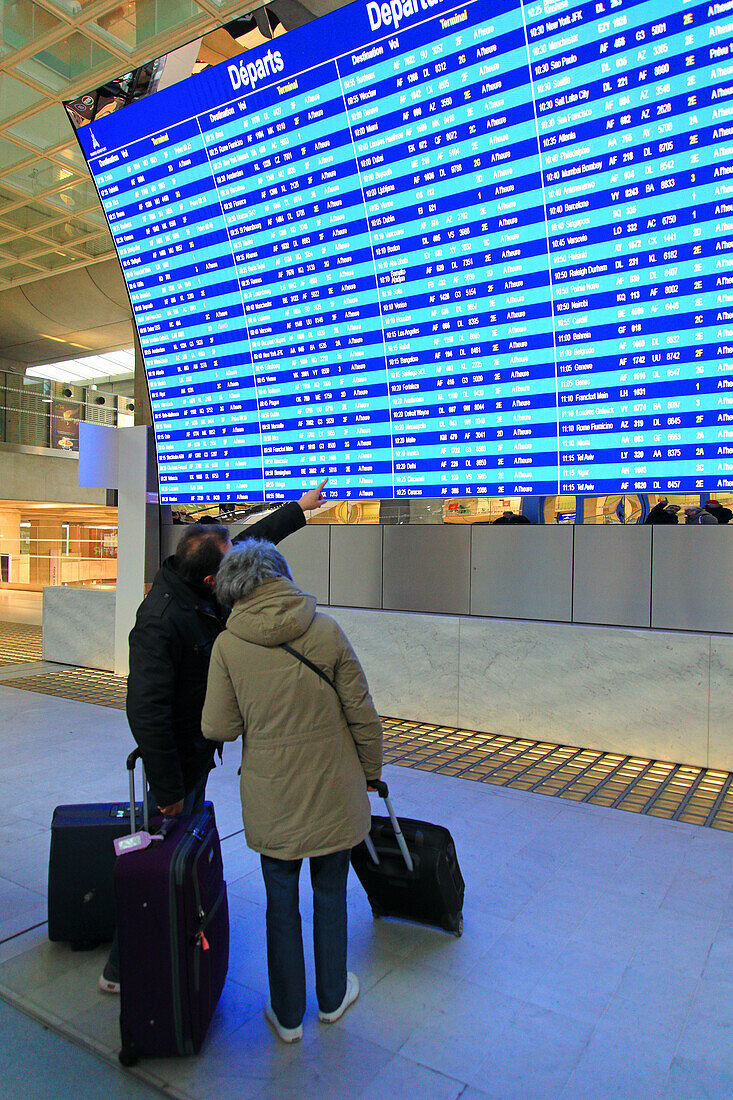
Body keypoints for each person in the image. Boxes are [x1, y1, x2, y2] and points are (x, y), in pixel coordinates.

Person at [98, 481, 327, 994]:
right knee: (159, 861)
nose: (235, 577)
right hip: (174, 765)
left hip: (195, 754)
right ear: (207, 577)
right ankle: (123, 965)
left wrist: (299, 510)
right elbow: (147, 710)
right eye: (225, 573)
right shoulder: (160, 621)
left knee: (175, 858)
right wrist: (169, 786)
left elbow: (248, 545)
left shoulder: (195, 588)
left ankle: (174, 932)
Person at [201, 540, 383, 1044]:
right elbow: (361, 711)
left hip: (274, 796)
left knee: (280, 902)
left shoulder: (227, 645)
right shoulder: (325, 630)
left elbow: (218, 726)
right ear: (280, 576)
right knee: (331, 893)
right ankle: (331, 999)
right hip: (334, 791)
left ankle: (285, 1014)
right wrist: (370, 771)